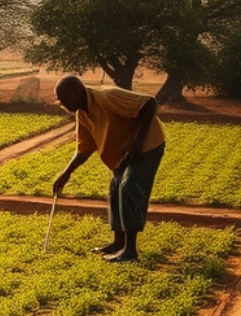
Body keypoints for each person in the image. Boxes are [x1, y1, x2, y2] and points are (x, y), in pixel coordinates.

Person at [50, 75, 165, 263]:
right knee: (115, 190)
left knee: (130, 188)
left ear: (76, 92)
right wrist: (66, 173)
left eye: (63, 100)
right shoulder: (83, 113)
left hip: (147, 147)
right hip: (123, 154)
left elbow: (149, 103)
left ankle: (130, 251)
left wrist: (138, 143)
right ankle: (118, 243)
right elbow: (84, 148)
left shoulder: (107, 97)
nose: (62, 105)